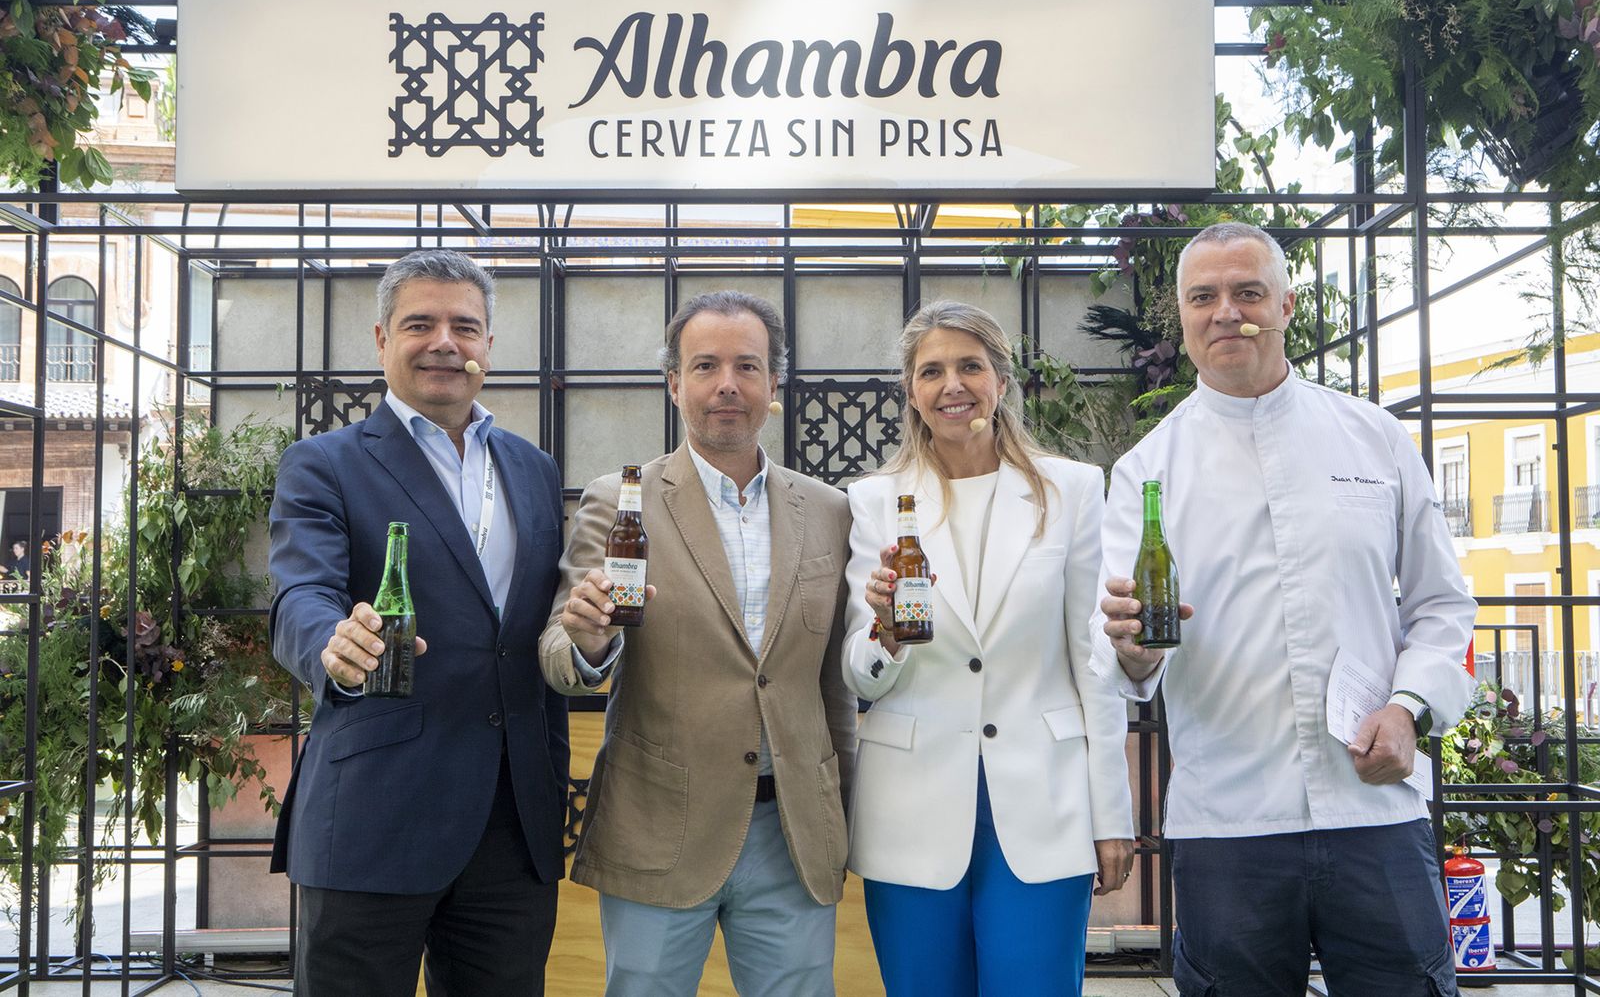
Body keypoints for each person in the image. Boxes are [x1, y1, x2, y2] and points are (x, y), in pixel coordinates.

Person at [1091, 222, 1477, 996]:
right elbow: (1122, 658)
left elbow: (1442, 605)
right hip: (1229, 823)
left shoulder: (1374, 439)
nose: (1226, 312)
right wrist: (1133, 651)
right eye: (1204, 297)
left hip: (1376, 813)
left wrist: (1408, 709)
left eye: (1248, 292)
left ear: (1287, 305)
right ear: (1183, 315)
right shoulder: (1146, 471)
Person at [268, 250, 569, 997]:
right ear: (381, 340)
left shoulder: (533, 469)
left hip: (512, 821)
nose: (445, 342)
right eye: (420, 324)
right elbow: (300, 595)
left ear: (489, 347)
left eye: (465, 326)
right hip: (376, 814)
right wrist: (332, 647)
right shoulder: (324, 464)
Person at [539, 290, 856, 997]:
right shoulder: (619, 501)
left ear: (775, 383)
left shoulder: (831, 511)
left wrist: (848, 816)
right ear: (675, 383)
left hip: (793, 832)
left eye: (748, 366)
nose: (727, 385)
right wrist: (588, 640)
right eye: (705, 365)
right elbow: (561, 659)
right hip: (659, 825)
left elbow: (830, 686)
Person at [843, 299, 1134, 997]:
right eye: (931, 371)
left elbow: (1092, 661)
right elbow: (859, 674)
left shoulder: (1071, 490)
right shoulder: (874, 500)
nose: (953, 385)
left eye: (970, 366)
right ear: (911, 392)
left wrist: (1112, 815)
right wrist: (883, 632)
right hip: (908, 807)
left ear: (1001, 381)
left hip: (1046, 803)